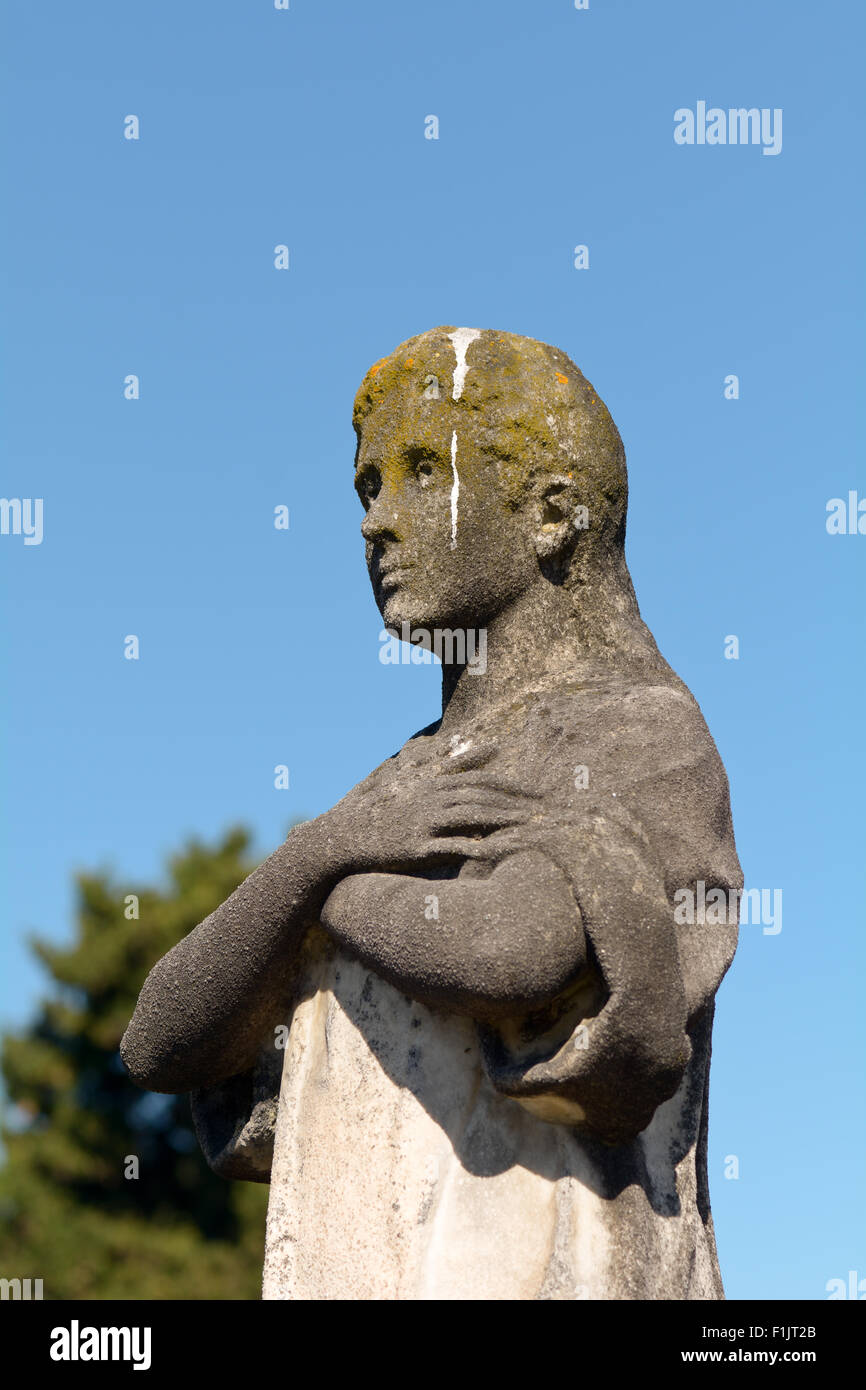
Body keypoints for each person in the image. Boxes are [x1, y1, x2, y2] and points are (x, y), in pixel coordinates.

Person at [122, 326, 742, 1299]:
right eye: (366, 487)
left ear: (550, 514)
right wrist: (317, 857)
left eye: (420, 472)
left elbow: (513, 949)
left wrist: (317, 887)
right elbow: (156, 1041)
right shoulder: (393, 794)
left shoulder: (636, 727)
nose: (377, 519)